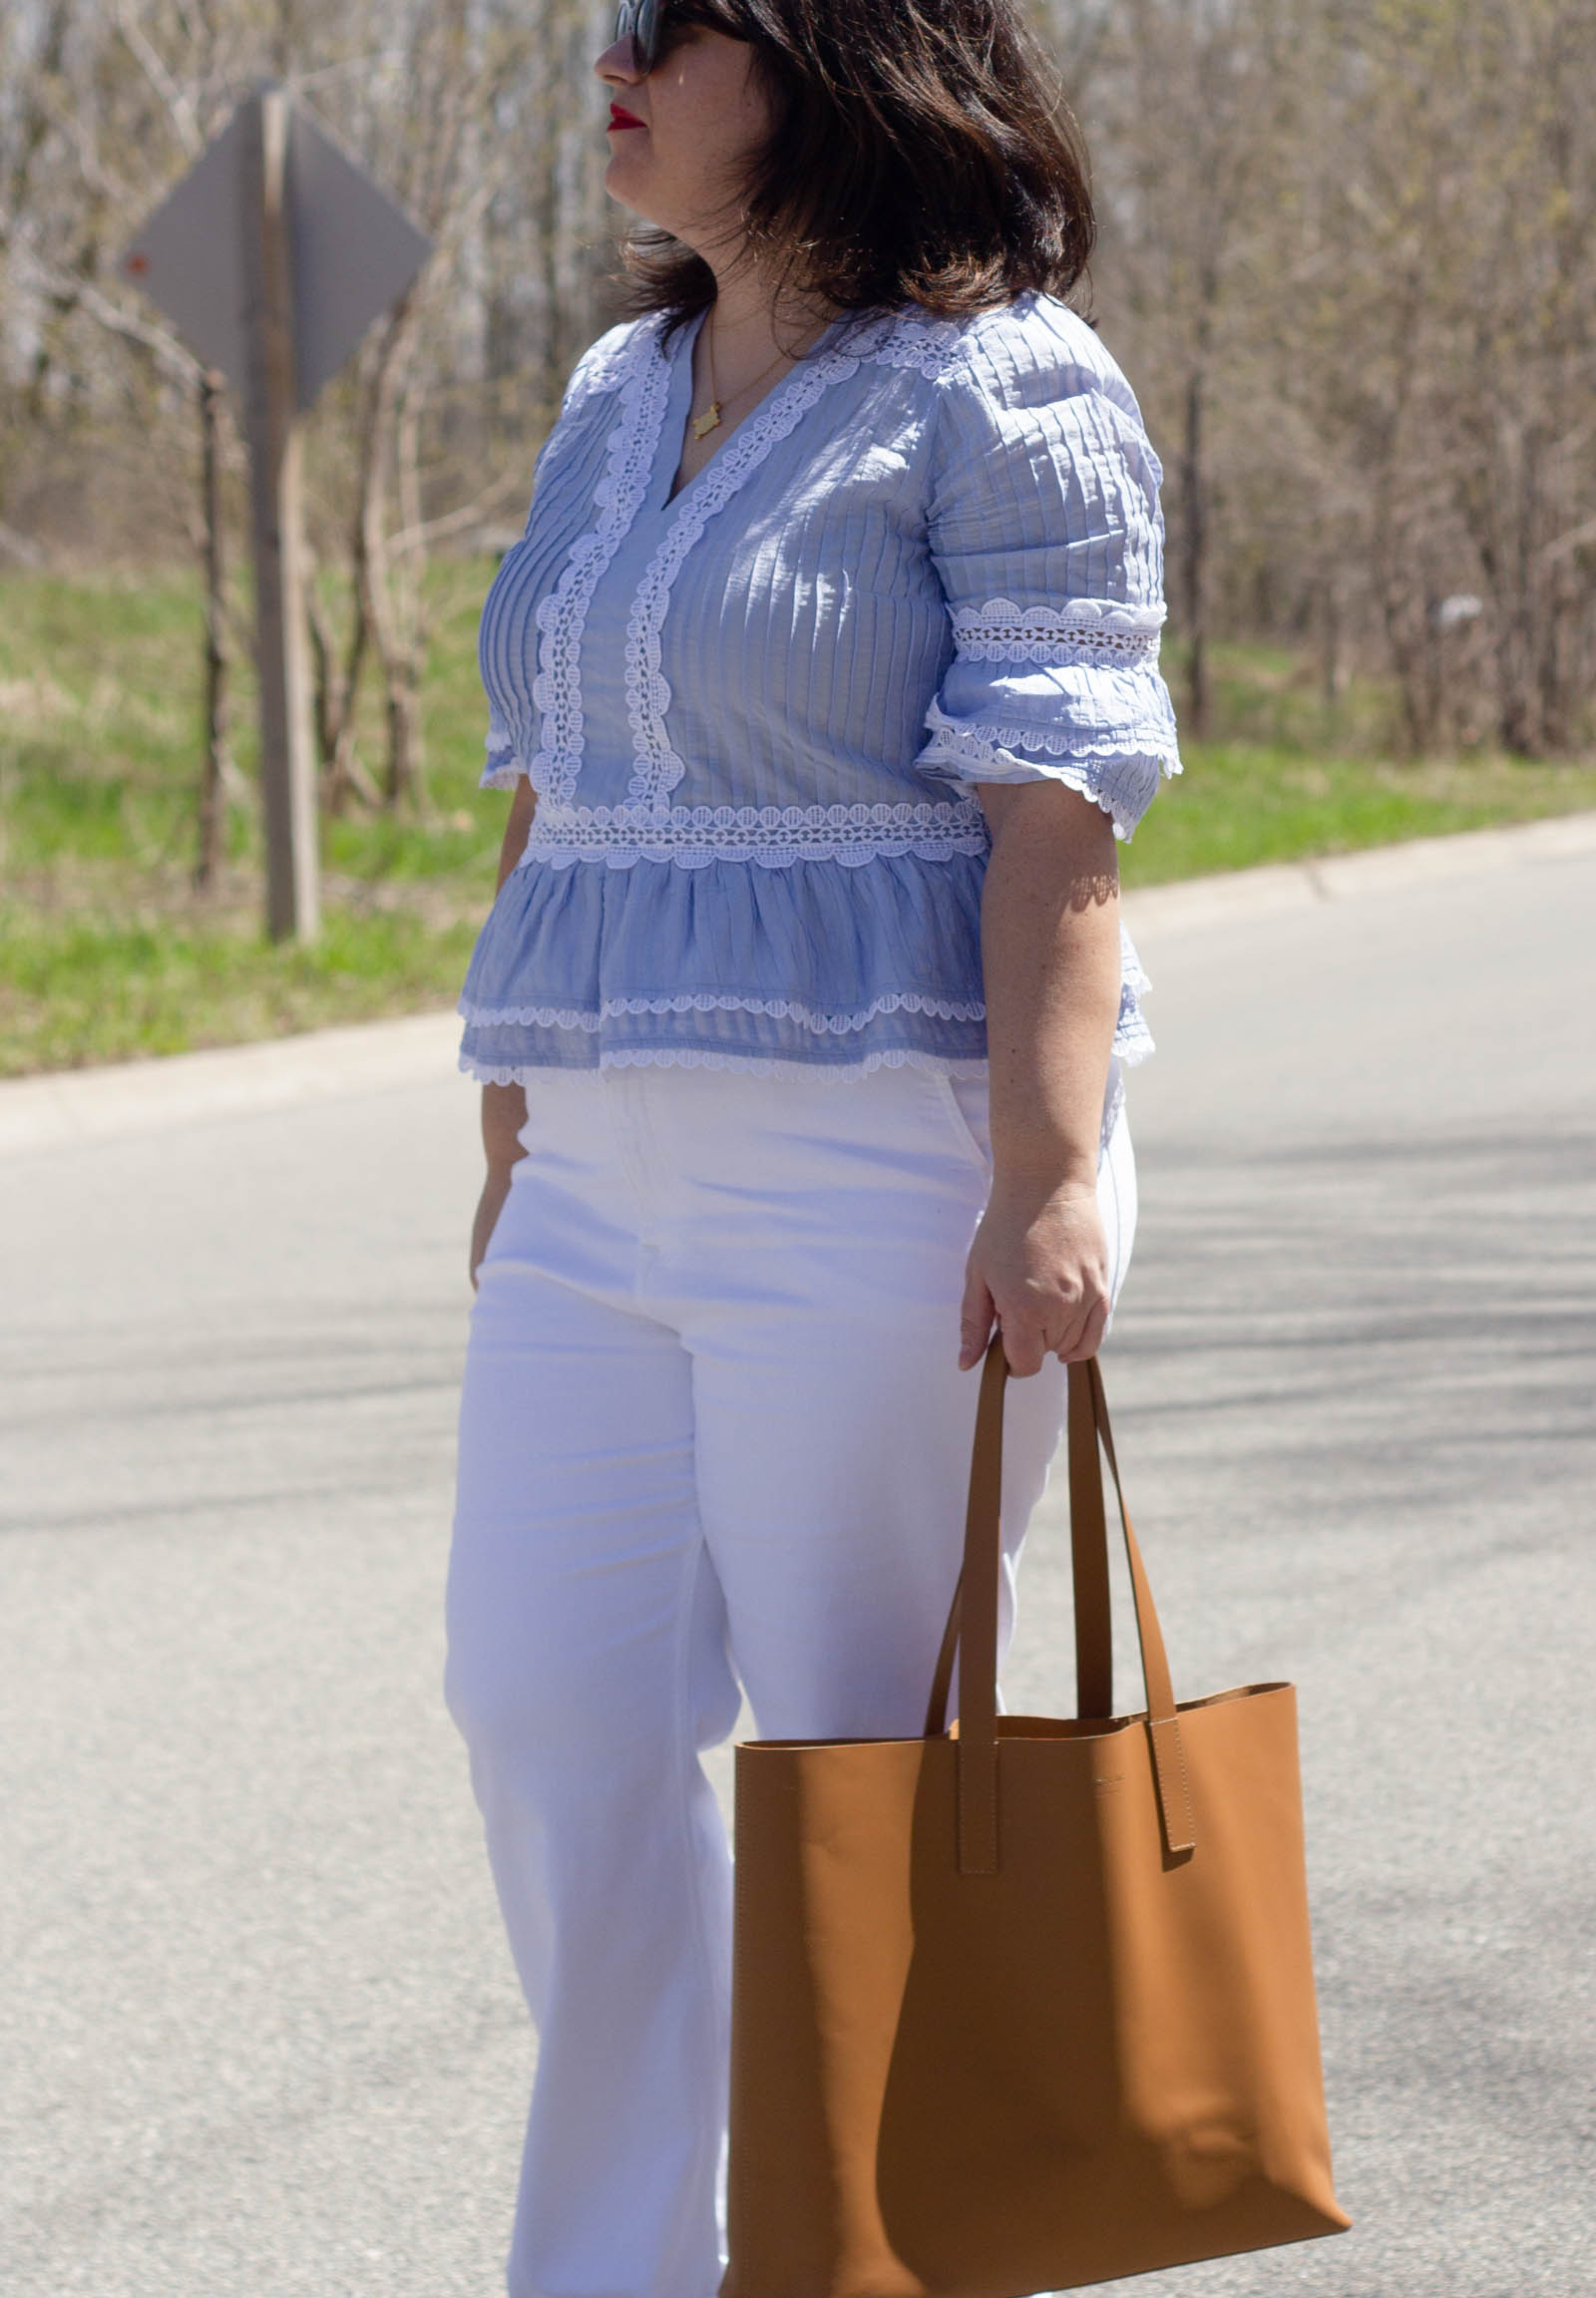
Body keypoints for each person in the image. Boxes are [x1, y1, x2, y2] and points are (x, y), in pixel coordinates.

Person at [444, 4, 1182, 2293]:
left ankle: (863, 2259)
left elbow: (1055, 809)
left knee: (865, 1785)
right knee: (545, 1722)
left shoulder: (1001, 383)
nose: (613, 63)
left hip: (874, 1165)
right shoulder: (610, 391)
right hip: (594, 1167)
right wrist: (511, 1121)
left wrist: (1046, 1176)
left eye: (673, 27)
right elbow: (554, 790)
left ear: (838, 61)